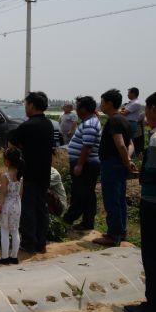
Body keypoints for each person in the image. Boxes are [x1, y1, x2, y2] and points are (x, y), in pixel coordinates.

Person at [8, 91, 55, 254]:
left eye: (26, 104)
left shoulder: (28, 125)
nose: (25, 107)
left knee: (27, 207)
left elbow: (13, 141)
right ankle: (41, 243)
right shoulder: (49, 124)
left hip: (29, 172)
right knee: (41, 207)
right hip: (44, 172)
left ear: (32, 105)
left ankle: (29, 243)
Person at [124, 91, 156, 312]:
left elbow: (152, 173)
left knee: (152, 253)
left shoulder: (155, 140)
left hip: (153, 202)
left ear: (154, 110)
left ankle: (152, 303)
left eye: (148, 110)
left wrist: (141, 176)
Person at [93, 89, 136, 247]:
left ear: (109, 104)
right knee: (119, 199)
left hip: (112, 164)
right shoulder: (124, 120)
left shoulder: (114, 121)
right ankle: (120, 231)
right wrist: (128, 160)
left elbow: (121, 144)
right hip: (119, 164)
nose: (101, 105)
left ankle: (113, 235)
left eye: (102, 102)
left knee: (111, 199)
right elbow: (130, 145)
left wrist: (126, 161)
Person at [63, 96, 102, 232]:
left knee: (81, 192)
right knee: (87, 193)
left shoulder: (90, 123)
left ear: (84, 109)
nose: (76, 110)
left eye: (78, 107)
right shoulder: (89, 121)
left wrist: (79, 164)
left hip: (86, 164)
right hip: (86, 163)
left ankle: (70, 218)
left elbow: (87, 147)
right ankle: (87, 221)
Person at [0, 147, 25, 265]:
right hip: (17, 205)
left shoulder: (5, 176)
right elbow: (20, 193)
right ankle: (14, 257)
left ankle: (4, 257)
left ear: (7, 161)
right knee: (15, 231)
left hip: (6, 206)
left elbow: (3, 195)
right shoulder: (21, 175)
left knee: (4, 231)